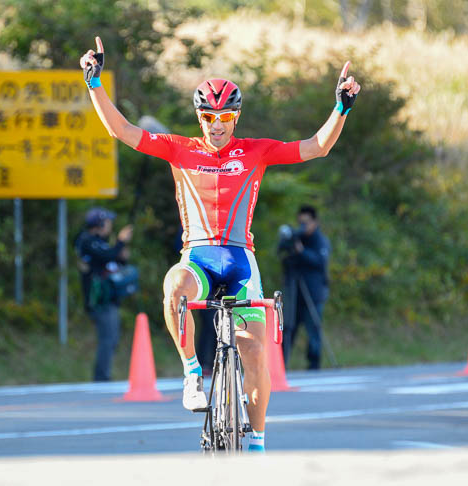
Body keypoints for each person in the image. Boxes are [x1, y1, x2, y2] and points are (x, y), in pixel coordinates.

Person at [80, 36, 360, 451]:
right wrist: (94, 83)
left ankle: (258, 443)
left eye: (225, 116)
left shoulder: (256, 151)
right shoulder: (179, 149)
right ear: (199, 117)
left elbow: (317, 147)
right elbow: (122, 130)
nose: (217, 124)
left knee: (255, 357)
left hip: (241, 263)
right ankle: (193, 372)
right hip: (199, 259)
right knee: (173, 285)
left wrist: (340, 108)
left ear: (237, 116)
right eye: (209, 116)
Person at [74, 207, 133, 381]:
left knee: (112, 338)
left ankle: (103, 375)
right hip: (99, 300)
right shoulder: (87, 241)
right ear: (99, 223)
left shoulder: (100, 242)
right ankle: (101, 377)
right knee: (108, 338)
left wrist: (121, 253)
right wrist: (121, 242)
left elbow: (114, 258)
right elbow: (106, 256)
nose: (110, 225)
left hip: (109, 298)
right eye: (107, 222)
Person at [279, 205, 331, 370]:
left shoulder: (320, 240)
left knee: (313, 329)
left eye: (306, 223)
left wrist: (302, 252)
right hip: (295, 292)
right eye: (300, 222)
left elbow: (320, 262)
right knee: (288, 326)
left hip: (313, 293)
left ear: (315, 222)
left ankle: (314, 363)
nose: (303, 226)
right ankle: (280, 363)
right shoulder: (296, 238)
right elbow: (283, 256)